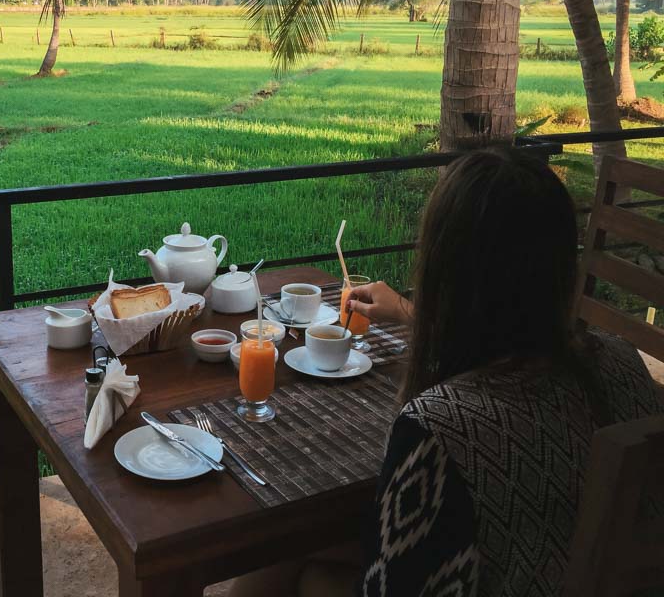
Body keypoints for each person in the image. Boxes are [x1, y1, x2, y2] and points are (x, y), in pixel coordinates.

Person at [229, 147, 662, 597]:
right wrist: (409, 312)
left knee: (295, 563)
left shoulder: (442, 428)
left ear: (443, 268)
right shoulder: (622, 362)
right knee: (300, 546)